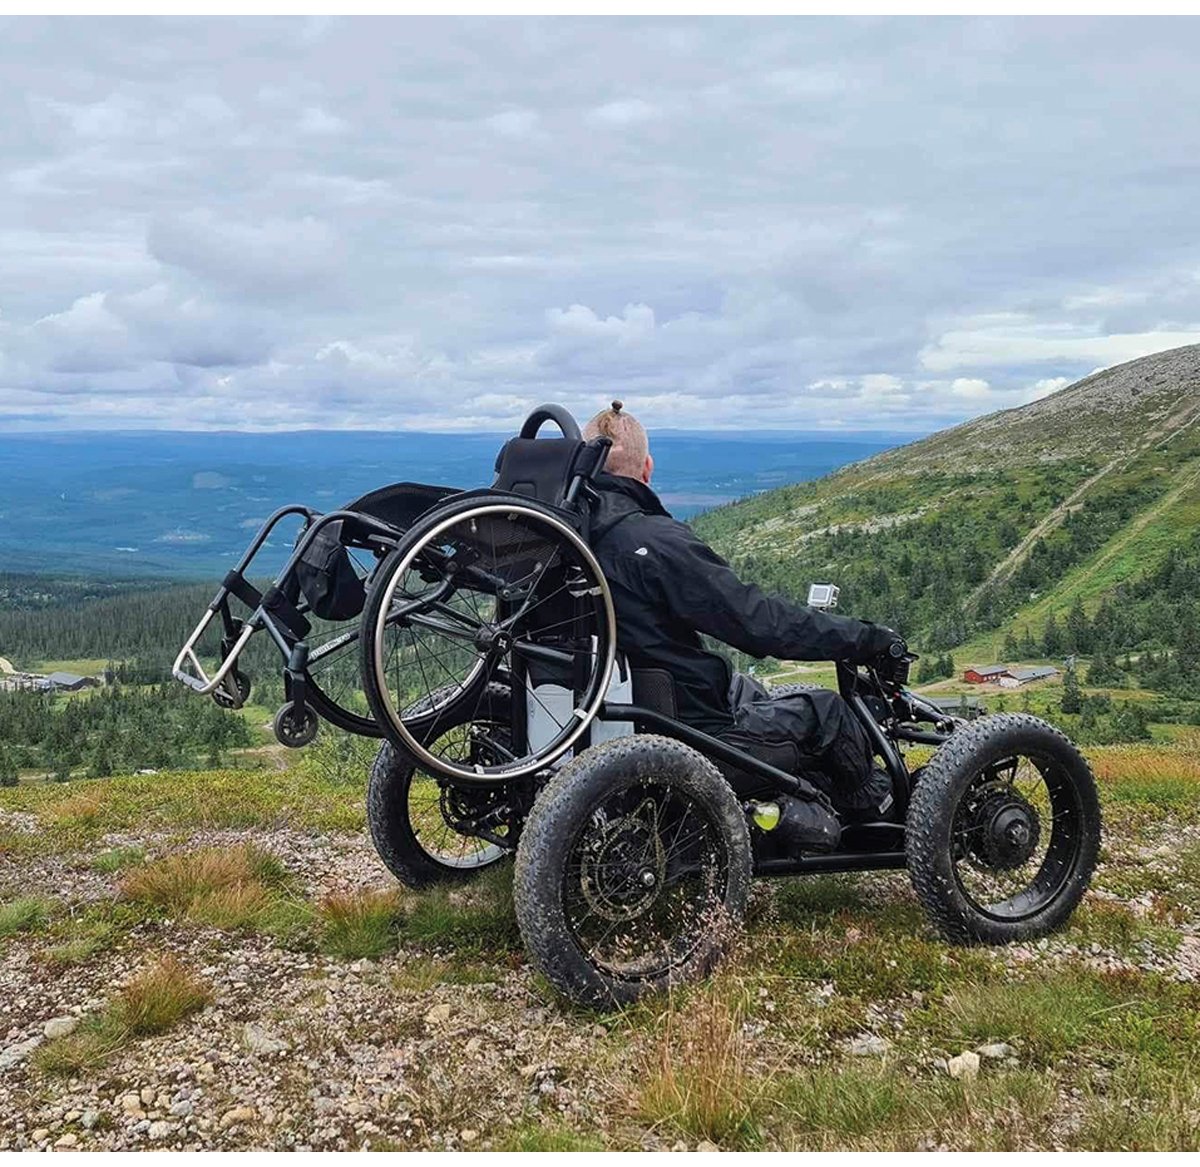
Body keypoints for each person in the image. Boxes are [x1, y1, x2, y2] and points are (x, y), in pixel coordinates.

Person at [584, 400, 903, 844]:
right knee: (827, 711)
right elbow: (759, 623)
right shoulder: (654, 542)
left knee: (746, 688)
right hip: (683, 732)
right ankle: (881, 814)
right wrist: (863, 639)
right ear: (647, 468)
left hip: (608, 712)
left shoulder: (562, 537)